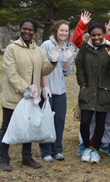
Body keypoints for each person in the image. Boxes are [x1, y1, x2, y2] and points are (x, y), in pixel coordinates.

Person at [0, 19, 57, 171]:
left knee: (29, 127)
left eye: (30, 30)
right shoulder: (12, 48)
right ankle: (4, 158)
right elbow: (11, 73)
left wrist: (53, 62)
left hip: (32, 99)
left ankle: (26, 157)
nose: (27, 32)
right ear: (20, 30)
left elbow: (44, 70)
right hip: (14, 97)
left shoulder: (38, 51)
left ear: (34, 32)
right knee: (7, 127)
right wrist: (26, 89)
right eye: (24, 29)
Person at [73, 12, 110, 157]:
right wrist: (82, 84)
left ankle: (103, 145)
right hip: (91, 88)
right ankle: (85, 144)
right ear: (106, 26)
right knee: (88, 119)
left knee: (107, 121)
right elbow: (79, 60)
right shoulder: (90, 44)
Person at [39, 20, 75, 162]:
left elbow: (68, 72)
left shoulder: (68, 47)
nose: (64, 33)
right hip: (47, 89)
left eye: (66, 31)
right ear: (55, 30)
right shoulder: (47, 45)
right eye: (62, 30)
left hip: (60, 91)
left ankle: (57, 150)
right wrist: (44, 87)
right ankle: (46, 151)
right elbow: (41, 68)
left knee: (59, 121)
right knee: (46, 120)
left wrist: (66, 60)